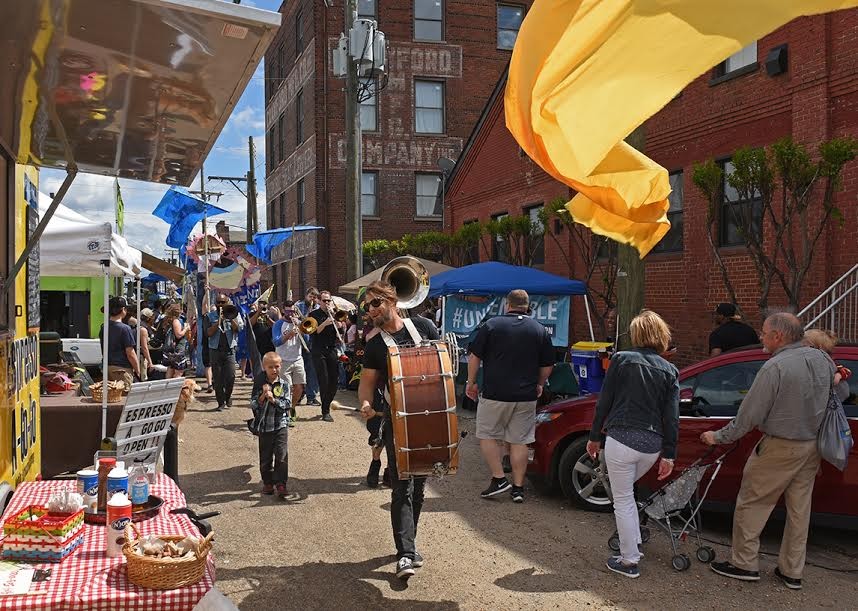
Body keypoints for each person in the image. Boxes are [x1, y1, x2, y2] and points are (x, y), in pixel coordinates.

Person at [701, 313, 834, 590]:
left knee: (753, 503)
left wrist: (718, 437)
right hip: (812, 445)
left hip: (780, 445)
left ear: (779, 336)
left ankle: (744, 564)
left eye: (764, 333)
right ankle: (792, 571)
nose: (760, 337)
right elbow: (838, 392)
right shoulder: (823, 359)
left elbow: (749, 415)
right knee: (800, 510)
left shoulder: (776, 367)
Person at [586, 310, 679, 579]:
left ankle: (629, 560)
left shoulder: (622, 360)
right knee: (628, 496)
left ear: (635, 334)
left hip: (622, 437)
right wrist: (669, 454)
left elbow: (605, 401)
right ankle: (632, 544)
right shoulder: (670, 370)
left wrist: (594, 436)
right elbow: (671, 417)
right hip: (652, 445)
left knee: (624, 499)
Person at [358, 280, 439, 581]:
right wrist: (366, 404)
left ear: (392, 301)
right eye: (367, 306)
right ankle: (406, 553)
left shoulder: (425, 327)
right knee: (402, 485)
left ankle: (408, 544)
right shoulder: (375, 345)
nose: (371, 310)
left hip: (430, 417)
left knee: (419, 486)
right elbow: (366, 385)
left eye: (376, 303)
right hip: (397, 419)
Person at [465, 289, 555, 503]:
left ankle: (498, 478)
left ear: (508, 304)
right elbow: (548, 364)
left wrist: (471, 382)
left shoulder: (492, 325)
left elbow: (474, 357)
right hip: (525, 395)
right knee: (520, 441)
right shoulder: (539, 329)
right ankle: (518, 488)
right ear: (527, 305)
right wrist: (540, 384)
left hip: (495, 392)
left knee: (487, 435)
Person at [250, 352, 291, 499]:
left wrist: (274, 400)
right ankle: (268, 482)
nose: (274, 370)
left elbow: (287, 405)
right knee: (265, 457)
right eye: (270, 367)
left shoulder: (284, 384)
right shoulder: (260, 384)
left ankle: (281, 483)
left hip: (280, 425)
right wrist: (262, 396)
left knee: (281, 455)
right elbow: (253, 404)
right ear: (264, 367)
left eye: (277, 366)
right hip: (265, 427)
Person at [307, 290, 346, 422]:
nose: (327, 303)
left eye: (329, 300)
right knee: (324, 381)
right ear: (318, 301)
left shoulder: (335, 314)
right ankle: (325, 411)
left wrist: (340, 326)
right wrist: (325, 323)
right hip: (318, 350)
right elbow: (313, 332)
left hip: (332, 349)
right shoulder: (313, 315)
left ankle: (327, 403)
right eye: (324, 300)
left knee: (334, 381)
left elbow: (340, 332)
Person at [206, 294, 244, 411]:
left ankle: (228, 396)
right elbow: (208, 333)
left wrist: (231, 318)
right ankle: (220, 402)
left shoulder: (234, 313)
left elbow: (238, 329)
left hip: (229, 350)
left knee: (231, 376)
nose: (221, 305)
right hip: (215, 350)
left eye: (223, 302)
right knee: (217, 378)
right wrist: (218, 322)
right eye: (219, 302)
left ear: (227, 302)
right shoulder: (210, 316)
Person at [272, 301, 306, 425]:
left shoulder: (297, 322)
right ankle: (286, 412)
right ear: (283, 310)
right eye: (288, 311)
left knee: (299, 387)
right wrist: (288, 336)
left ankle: (292, 407)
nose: (290, 314)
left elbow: (306, 340)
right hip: (283, 360)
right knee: (287, 388)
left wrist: (301, 329)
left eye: (292, 311)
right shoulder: (278, 324)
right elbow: (275, 342)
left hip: (297, 358)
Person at [98, 297, 140, 390]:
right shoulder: (125, 328)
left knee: (111, 397)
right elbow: (130, 353)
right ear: (123, 310)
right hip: (122, 369)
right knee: (124, 399)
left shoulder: (104, 327)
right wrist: (138, 370)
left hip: (107, 367)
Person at [804, 329, 851, 402]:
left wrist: (839, 375)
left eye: (805, 345)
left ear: (817, 347)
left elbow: (847, 371)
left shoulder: (827, 364)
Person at [296, 288, 321, 406]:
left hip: (313, 343)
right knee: (300, 371)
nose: (312, 299)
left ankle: (311, 396)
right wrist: (307, 314)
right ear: (306, 295)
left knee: (312, 370)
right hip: (300, 343)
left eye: (315, 297)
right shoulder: (298, 305)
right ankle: (299, 395)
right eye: (311, 296)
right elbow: (295, 320)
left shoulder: (317, 308)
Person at [161, 303, 190, 379]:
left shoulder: (169, 320)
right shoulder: (176, 321)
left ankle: (167, 388)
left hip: (172, 349)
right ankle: (175, 388)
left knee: (170, 369)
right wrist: (186, 329)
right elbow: (179, 335)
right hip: (178, 349)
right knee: (179, 372)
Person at [138, 307, 156, 381]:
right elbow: (144, 347)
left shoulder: (138, 325)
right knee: (143, 379)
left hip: (139, 355)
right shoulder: (143, 329)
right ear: (148, 318)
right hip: (141, 357)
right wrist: (150, 362)